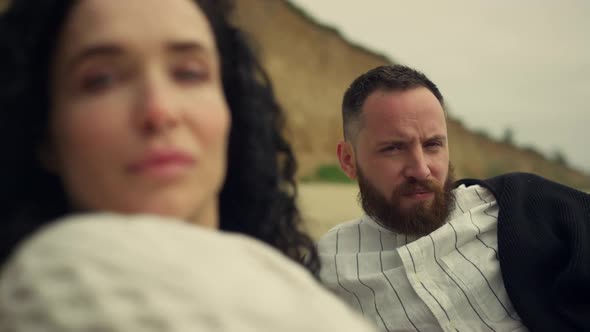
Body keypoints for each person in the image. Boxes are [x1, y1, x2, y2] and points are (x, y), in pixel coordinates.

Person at [0, 1, 379, 331]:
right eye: (101, 80)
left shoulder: (271, 278)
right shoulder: (53, 279)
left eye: (189, 73)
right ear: (44, 133)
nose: (159, 110)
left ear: (230, 109)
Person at [317, 64, 590, 332]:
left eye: (433, 144)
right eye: (393, 148)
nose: (421, 169)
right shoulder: (324, 267)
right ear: (348, 159)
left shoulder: (519, 206)